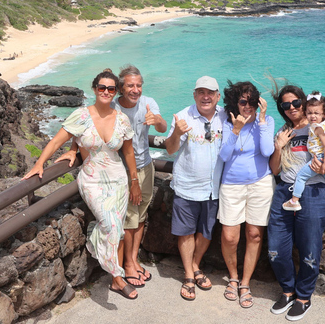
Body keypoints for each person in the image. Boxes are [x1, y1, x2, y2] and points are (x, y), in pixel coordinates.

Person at [23, 69, 142, 300]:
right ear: (95, 89)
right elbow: (57, 140)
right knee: (109, 224)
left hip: (118, 179)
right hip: (92, 179)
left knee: (116, 228)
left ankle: (114, 277)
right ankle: (115, 275)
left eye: (111, 89)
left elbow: (128, 153)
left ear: (116, 91)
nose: (106, 92)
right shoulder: (81, 116)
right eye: (102, 88)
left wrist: (134, 180)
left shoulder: (122, 119)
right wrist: (39, 164)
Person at [267, 84, 325, 321]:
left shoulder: (320, 128)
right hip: (284, 192)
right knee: (276, 249)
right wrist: (278, 147)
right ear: (282, 109)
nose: (291, 108)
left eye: (295, 103)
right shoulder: (284, 132)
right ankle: (287, 291)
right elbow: (274, 169)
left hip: (314, 194)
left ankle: (303, 297)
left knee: (309, 249)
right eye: (286, 105)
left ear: (304, 103)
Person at [164, 75, 226, 302]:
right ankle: (190, 275)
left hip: (214, 188)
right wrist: (177, 133)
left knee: (206, 231)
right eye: (201, 92)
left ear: (218, 96)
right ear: (195, 95)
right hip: (187, 186)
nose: (206, 96)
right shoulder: (182, 116)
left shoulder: (226, 116)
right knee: (186, 232)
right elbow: (170, 150)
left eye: (210, 92)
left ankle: (195, 264)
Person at [217, 81, 275, 309]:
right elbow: (224, 155)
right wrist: (235, 130)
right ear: (235, 102)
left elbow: (268, 151)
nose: (247, 106)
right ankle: (232, 276)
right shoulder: (227, 121)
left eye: (252, 101)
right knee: (230, 236)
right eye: (243, 101)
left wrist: (260, 121)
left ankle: (245, 283)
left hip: (260, 184)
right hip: (231, 185)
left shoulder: (266, 121)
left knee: (254, 235)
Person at [112, 65, 167, 288]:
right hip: (123, 170)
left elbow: (163, 129)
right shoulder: (113, 106)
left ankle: (134, 260)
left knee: (141, 214)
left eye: (138, 85)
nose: (135, 90)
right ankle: (127, 265)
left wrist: (157, 121)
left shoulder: (148, 102)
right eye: (130, 85)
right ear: (121, 87)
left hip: (146, 165)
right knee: (128, 217)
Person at [282, 92, 325, 223]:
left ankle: (294, 200)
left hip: (322, 157)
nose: (312, 116)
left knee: (301, 176)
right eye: (310, 113)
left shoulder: (318, 128)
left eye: (316, 113)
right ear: (305, 113)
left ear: (323, 114)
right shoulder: (323, 123)